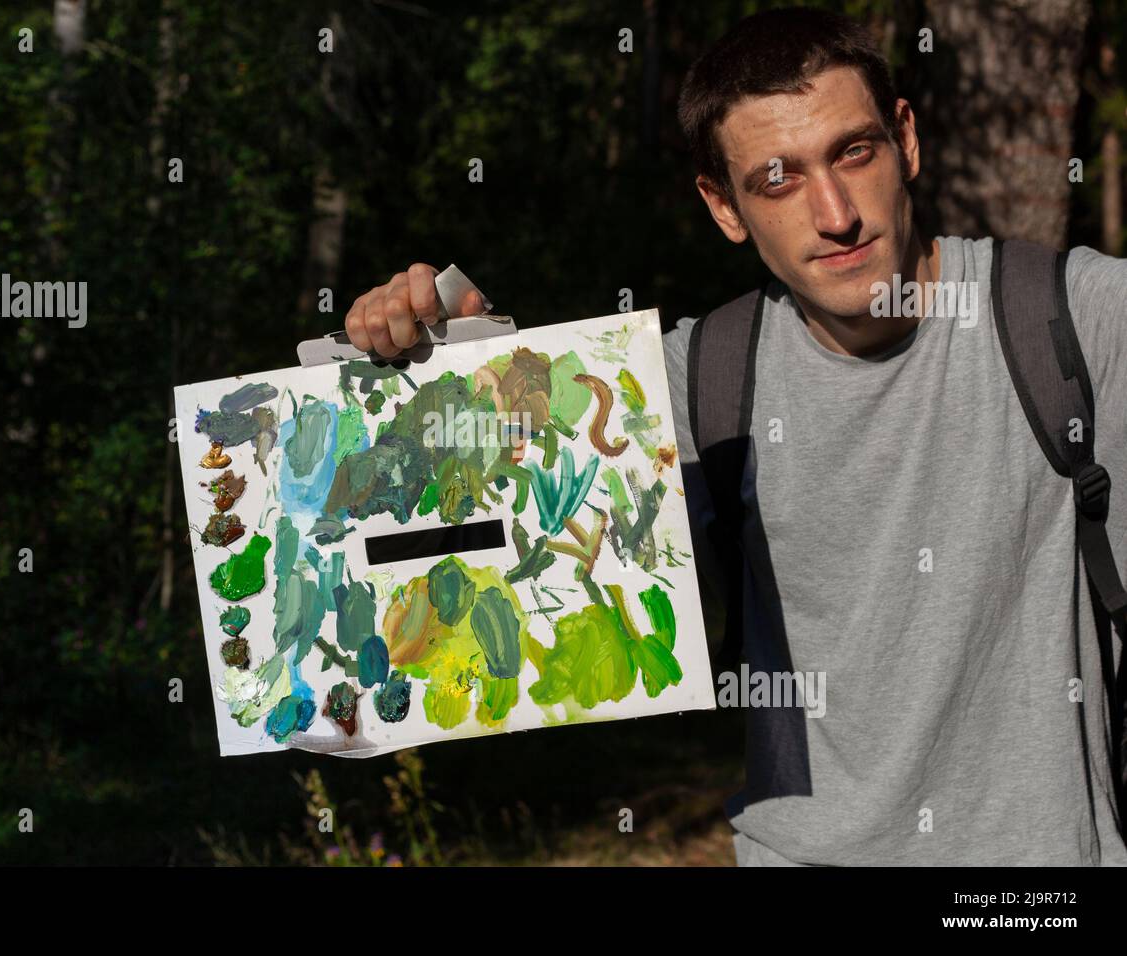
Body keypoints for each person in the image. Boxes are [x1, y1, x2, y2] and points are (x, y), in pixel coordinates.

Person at [340, 7, 1127, 866]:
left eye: (853, 152)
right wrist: (446, 365)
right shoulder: (700, 380)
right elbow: (469, 520)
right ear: (724, 206)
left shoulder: (1073, 322)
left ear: (906, 140)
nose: (835, 214)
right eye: (778, 180)